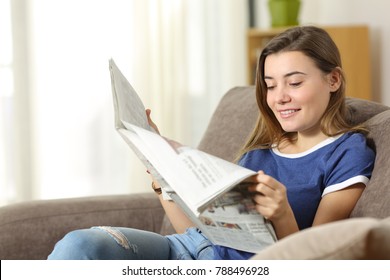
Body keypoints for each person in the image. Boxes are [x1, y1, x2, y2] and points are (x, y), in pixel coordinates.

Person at [48, 26, 375, 260]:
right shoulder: (260, 151)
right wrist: (163, 179)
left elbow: (316, 261)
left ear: (333, 79)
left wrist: (283, 214)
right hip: (186, 251)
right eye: (270, 85)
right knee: (79, 246)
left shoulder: (347, 151)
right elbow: (197, 231)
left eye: (294, 82)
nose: (280, 98)